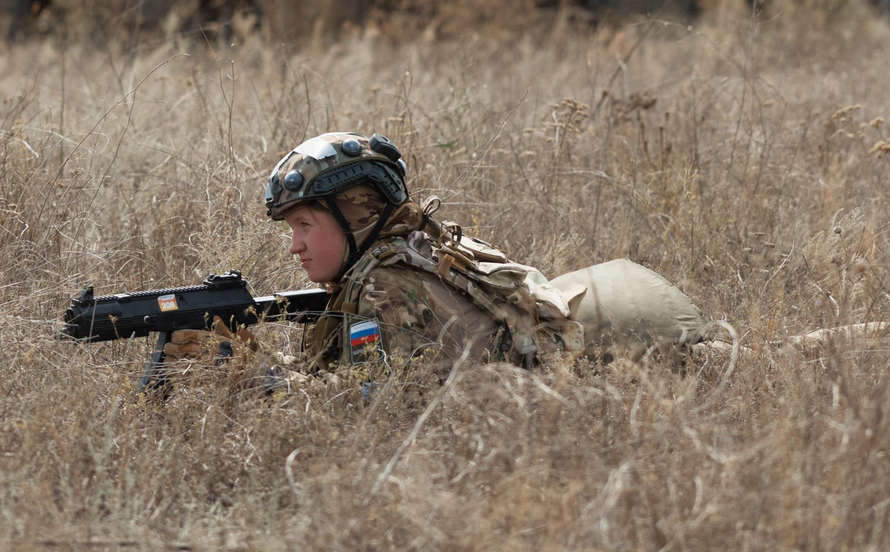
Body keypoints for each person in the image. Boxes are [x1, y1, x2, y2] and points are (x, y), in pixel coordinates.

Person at [152, 131, 575, 388]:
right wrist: (255, 356)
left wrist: (251, 374)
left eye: (304, 224)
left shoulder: (387, 285)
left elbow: (361, 408)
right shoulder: (399, 254)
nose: (294, 246)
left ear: (352, 216)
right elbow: (344, 372)